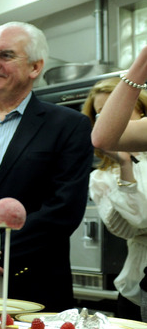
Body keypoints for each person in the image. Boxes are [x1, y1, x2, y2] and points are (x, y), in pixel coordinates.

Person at [0, 21, 92, 312]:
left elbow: (63, 211)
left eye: (5, 55)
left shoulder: (69, 125)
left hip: (31, 284)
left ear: (35, 68)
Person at [82, 76, 147, 321]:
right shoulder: (100, 178)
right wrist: (125, 164)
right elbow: (136, 224)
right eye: (102, 113)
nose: (113, 119)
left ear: (141, 110)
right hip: (135, 287)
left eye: (119, 108)